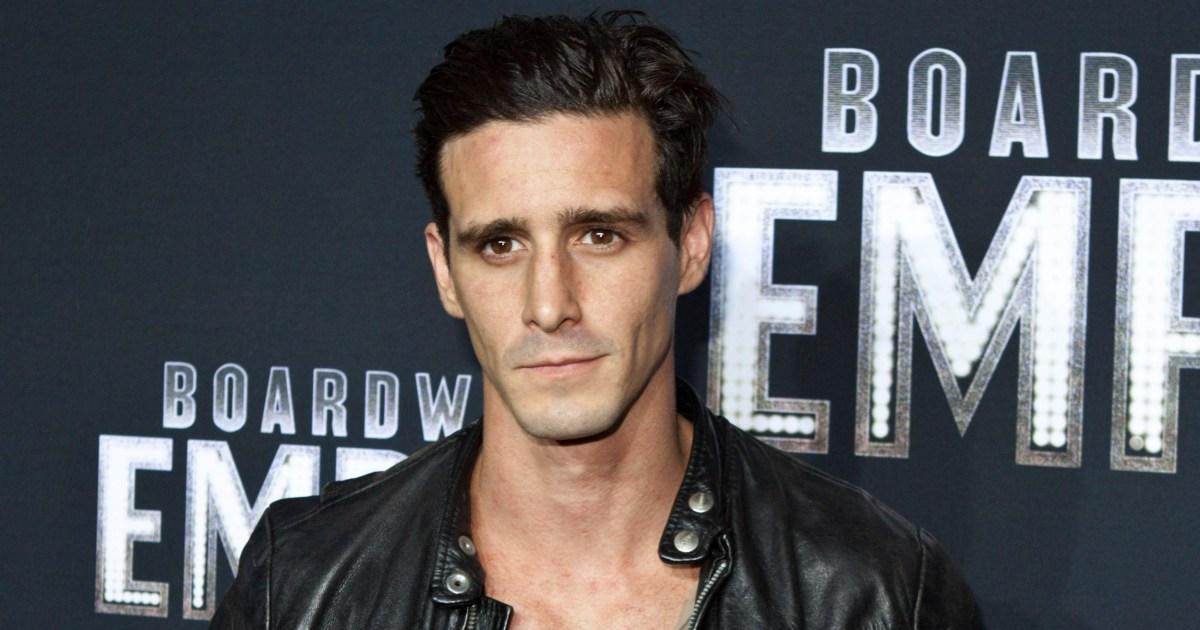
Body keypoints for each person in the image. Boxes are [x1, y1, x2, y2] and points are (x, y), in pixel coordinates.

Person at [212, 11, 981, 629]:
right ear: (446, 270)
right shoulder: (305, 587)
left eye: (600, 236)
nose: (550, 305)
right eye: (500, 245)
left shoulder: (875, 595)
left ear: (691, 243)